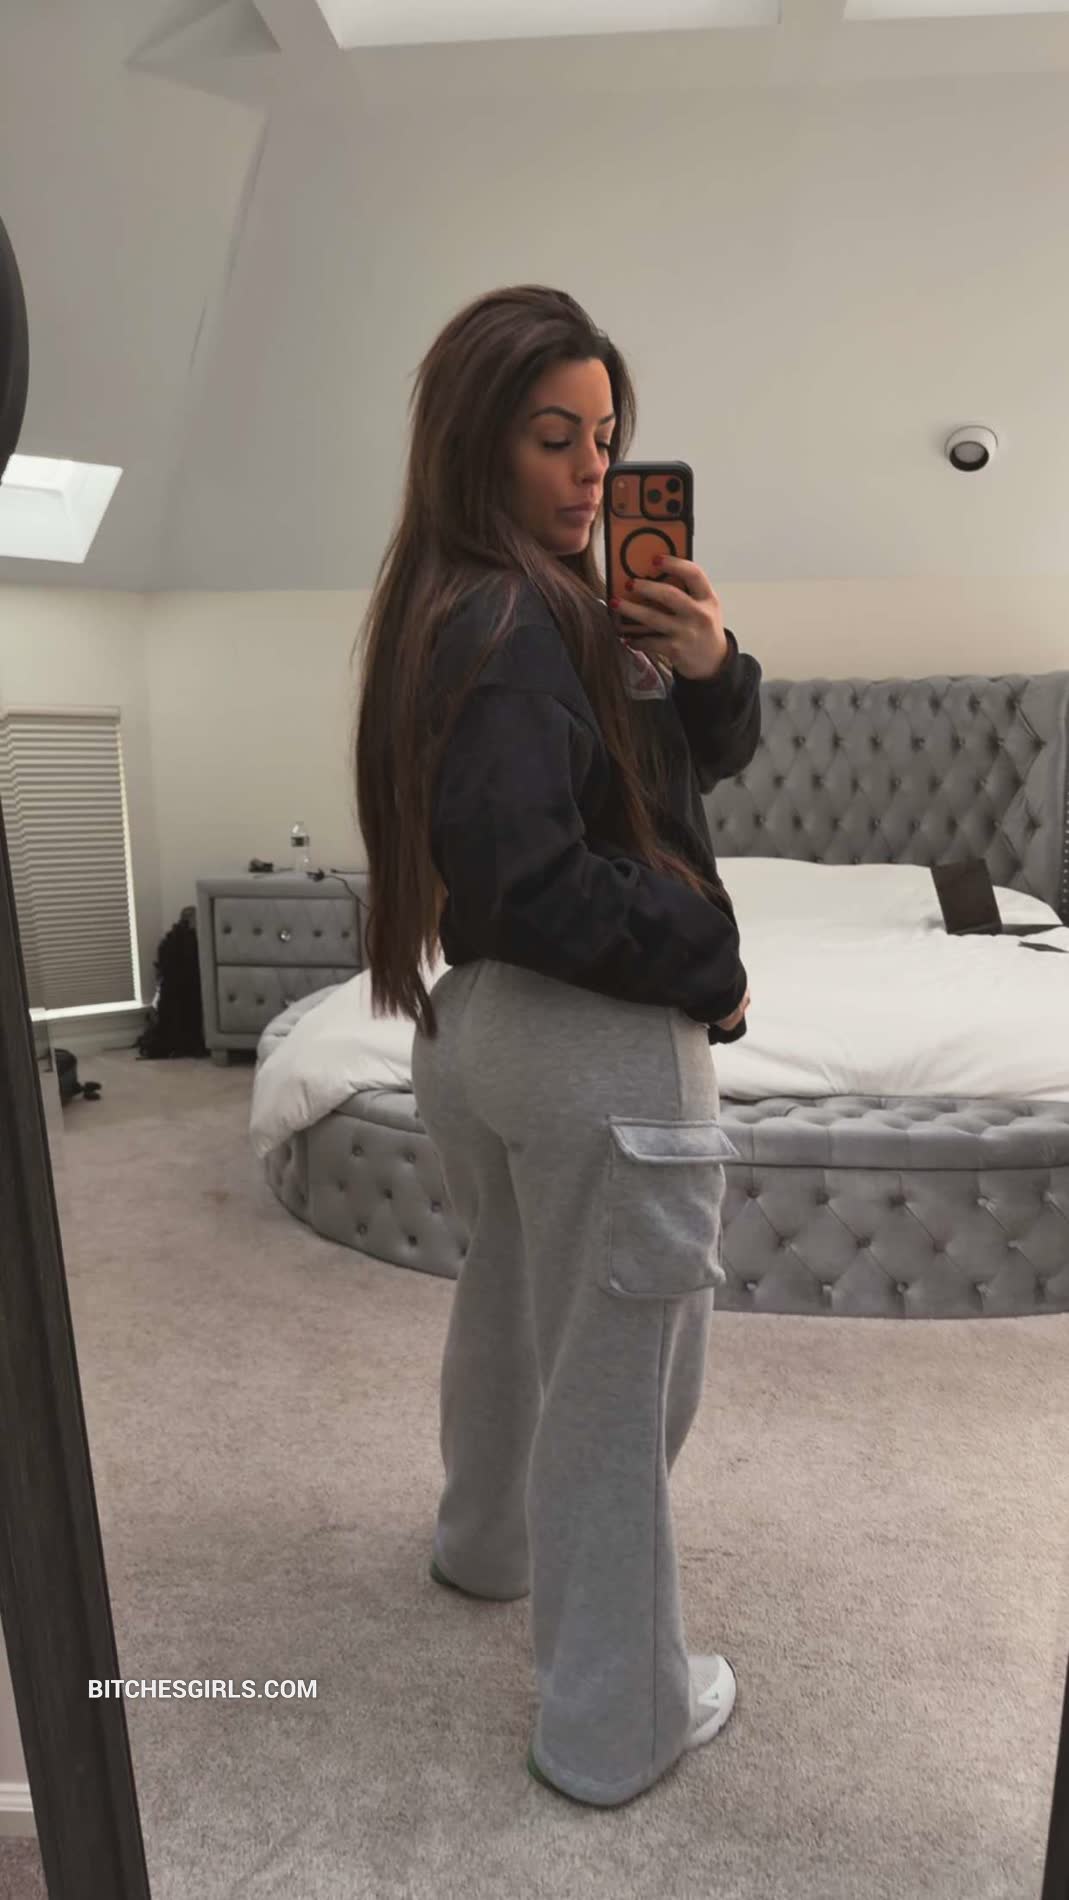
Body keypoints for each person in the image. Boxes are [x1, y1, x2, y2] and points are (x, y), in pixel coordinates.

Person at [354, 285, 762, 1809]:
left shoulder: (483, 602)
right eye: (552, 438)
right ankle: (617, 1722)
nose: (592, 470)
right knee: (621, 1389)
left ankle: (485, 1546)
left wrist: (710, 663)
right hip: (595, 1049)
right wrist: (711, 957)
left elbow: (668, 771)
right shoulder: (523, 621)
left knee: (515, 1306)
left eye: (604, 436)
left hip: (477, 1034)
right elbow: (529, 873)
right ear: (478, 443)